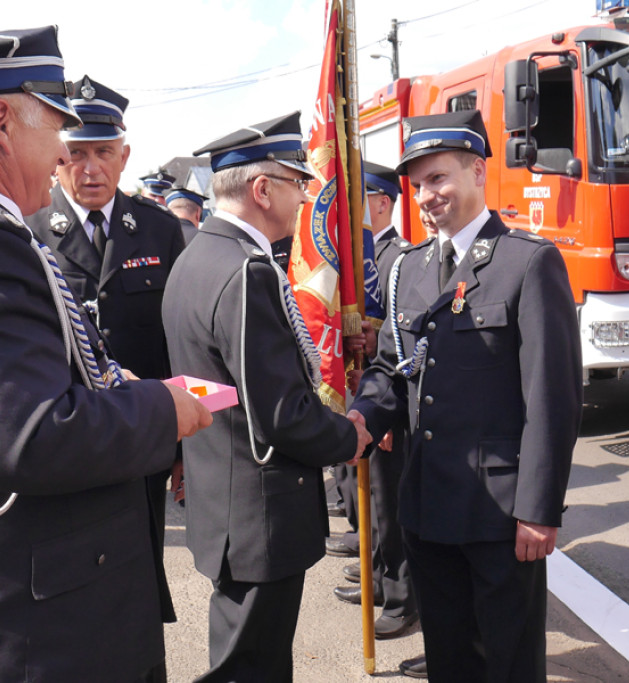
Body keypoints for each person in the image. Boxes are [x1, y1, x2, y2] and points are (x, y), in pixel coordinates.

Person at [0, 26, 211, 682]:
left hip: (8, 605)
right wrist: (160, 406)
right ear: (1, 121)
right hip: (42, 627)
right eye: (53, 127)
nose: (62, 152)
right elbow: (27, 439)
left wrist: (109, 384)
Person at [348, 110, 582, 681]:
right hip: (427, 505)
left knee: (507, 662)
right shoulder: (408, 268)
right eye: (419, 184)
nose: (427, 196)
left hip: (500, 514)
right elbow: (391, 367)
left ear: (478, 171)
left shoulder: (527, 262)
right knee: (449, 660)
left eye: (439, 179)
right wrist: (358, 418)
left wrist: (539, 508)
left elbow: (552, 397)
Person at [162, 111, 372, 682]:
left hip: (228, 501)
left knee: (251, 659)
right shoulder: (247, 271)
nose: (306, 197)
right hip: (258, 512)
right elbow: (279, 412)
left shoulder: (196, 259)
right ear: (261, 189)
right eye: (297, 183)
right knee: (249, 666)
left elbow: (220, 389)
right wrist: (345, 437)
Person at [27, 75, 187, 543]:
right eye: (77, 153)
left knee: (144, 559)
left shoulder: (159, 229)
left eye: (103, 152)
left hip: (144, 428)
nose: (90, 168)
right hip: (69, 435)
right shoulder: (26, 230)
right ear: (59, 157)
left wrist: (181, 446)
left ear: (125, 157)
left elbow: (174, 340)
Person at [333, 161, 419, 640]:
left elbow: (403, 336)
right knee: (376, 505)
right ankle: (382, 580)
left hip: (389, 403)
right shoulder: (363, 254)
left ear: (382, 203)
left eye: (361, 200)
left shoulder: (396, 256)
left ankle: (402, 596)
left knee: (392, 508)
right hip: (368, 396)